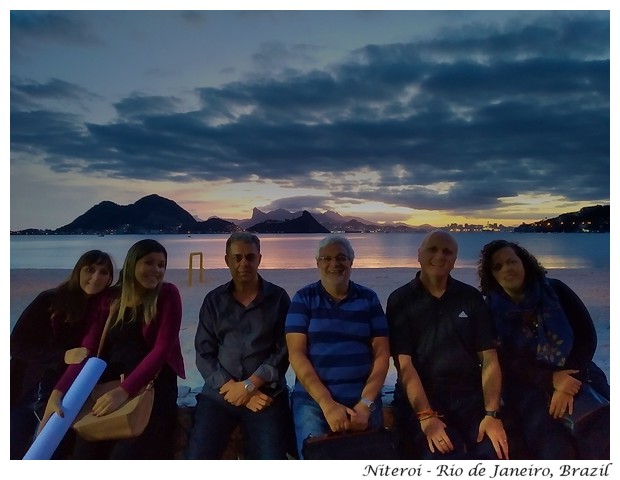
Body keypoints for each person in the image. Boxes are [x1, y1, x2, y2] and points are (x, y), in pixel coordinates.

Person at [41, 239, 185, 459]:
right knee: (83, 454)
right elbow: (88, 349)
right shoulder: (110, 298)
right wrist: (58, 392)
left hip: (151, 388)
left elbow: (162, 349)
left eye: (161, 264)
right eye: (149, 263)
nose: (156, 270)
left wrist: (124, 390)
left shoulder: (167, 294)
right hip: (106, 388)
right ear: (132, 264)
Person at [478, 239, 610, 459]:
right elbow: (505, 360)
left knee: (600, 433)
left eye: (512, 261)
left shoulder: (555, 290)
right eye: (498, 266)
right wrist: (550, 380)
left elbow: (586, 336)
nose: (507, 268)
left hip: (577, 372)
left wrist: (567, 382)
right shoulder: (491, 311)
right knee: (552, 447)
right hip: (529, 385)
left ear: (524, 263)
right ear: (492, 275)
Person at [386, 230, 509, 460]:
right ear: (419, 255)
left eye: (447, 252)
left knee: (494, 451)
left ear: (454, 260)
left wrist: (492, 414)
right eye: (432, 250)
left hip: (469, 397)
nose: (440, 256)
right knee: (440, 454)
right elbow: (404, 364)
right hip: (424, 397)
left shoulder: (470, 298)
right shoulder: (401, 300)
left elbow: (489, 358)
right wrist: (425, 416)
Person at [186, 232, 293, 459]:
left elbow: (283, 350)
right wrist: (232, 388)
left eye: (250, 257)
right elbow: (204, 353)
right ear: (227, 260)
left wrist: (250, 386)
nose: (243, 263)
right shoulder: (214, 300)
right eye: (237, 257)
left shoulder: (278, 298)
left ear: (259, 259)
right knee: (197, 459)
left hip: (265, 396)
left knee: (271, 459)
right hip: (219, 397)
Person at [285, 234, 390, 459]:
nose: (334, 264)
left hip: (362, 398)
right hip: (313, 401)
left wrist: (366, 403)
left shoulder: (368, 299)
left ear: (351, 262)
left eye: (341, 258)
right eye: (327, 258)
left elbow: (382, 353)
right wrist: (327, 403)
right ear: (318, 263)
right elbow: (296, 354)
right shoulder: (303, 299)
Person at [10, 249, 114, 460]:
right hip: (27, 387)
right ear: (78, 271)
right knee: (17, 448)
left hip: (65, 391)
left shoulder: (102, 307)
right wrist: (62, 356)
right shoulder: (50, 300)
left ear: (110, 278)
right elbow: (15, 345)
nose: (96, 277)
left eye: (103, 272)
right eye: (90, 270)